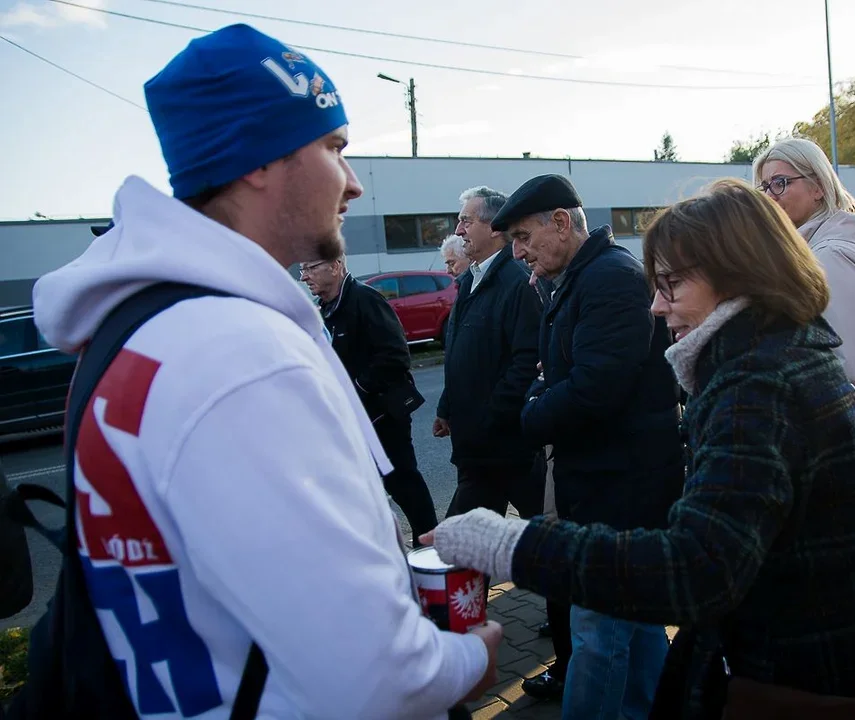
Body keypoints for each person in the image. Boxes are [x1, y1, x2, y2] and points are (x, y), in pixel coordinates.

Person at [31, 24, 499, 717]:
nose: (354, 184)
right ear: (258, 159)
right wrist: (471, 657)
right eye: (335, 148)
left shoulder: (141, 328)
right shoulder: (237, 353)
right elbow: (372, 679)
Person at [422, 179, 855, 719]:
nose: (655, 306)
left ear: (737, 275)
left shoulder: (756, 386)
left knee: (602, 639)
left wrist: (510, 544)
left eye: (671, 285)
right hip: (813, 650)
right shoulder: (776, 355)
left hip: (800, 670)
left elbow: (696, 570)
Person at [497, 174, 685, 719]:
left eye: (524, 237)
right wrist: (543, 388)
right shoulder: (582, 276)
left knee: (598, 637)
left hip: (620, 486)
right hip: (608, 482)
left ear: (561, 222)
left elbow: (592, 389)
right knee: (637, 626)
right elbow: (551, 370)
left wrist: (532, 411)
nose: (518, 252)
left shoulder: (610, 278)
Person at [753, 138, 855, 450]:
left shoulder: (830, 257)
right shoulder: (808, 251)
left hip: (839, 439)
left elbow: (854, 370)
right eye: (764, 187)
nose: (770, 197)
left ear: (818, 186)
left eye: (780, 183)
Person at [301, 254, 439, 547]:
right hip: (349, 418)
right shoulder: (324, 308)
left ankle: (430, 550)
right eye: (302, 270)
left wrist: (358, 387)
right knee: (359, 489)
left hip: (381, 415)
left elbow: (396, 355)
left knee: (403, 483)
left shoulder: (365, 299)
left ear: (336, 265)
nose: (304, 277)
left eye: (310, 268)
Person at [437, 185, 544, 521]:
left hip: (503, 446)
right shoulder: (470, 280)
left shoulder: (518, 282)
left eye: (466, 221)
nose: (458, 230)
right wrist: (447, 406)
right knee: (483, 536)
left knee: (469, 535)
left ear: (495, 226)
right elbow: (460, 349)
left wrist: (492, 418)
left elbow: (526, 360)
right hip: (476, 446)